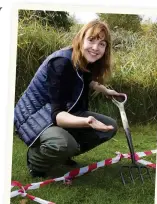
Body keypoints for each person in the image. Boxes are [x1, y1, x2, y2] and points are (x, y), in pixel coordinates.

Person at [14, 20, 123, 178]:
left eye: (102, 44)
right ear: (81, 39)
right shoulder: (61, 63)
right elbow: (58, 116)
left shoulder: (83, 61)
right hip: (34, 117)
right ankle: (36, 160)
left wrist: (104, 89)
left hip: (56, 114)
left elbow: (83, 79)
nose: (95, 48)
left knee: (110, 126)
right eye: (91, 40)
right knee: (64, 144)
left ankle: (62, 155)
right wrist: (88, 121)